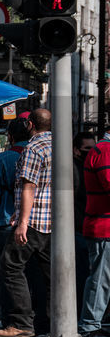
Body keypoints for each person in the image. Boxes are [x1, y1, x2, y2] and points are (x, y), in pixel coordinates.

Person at [0, 108, 54, 337]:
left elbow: (28, 187)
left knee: (9, 267)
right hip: (53, 221)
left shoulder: (33, 148)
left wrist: (22, 222)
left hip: (34, 221)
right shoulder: (59, 146)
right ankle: (49, 322)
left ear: (30, 124)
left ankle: (21, 322)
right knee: (48, 275)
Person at [0, 119, 30, 326]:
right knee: (30, 274)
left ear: (9, 137)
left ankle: (7, 315)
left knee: (6, 273)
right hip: (36, 225)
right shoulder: (42, 155)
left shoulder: (1, 160)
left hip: (4, 223)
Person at [80, 131, 110, 337]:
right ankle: (91, 325)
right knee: (100, 279)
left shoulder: (102, 149)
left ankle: (96, 322)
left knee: (102, 278)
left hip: (102, 225)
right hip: (103, 227)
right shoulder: (105, 150)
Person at [74, 131, 97, 309]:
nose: (91, 152)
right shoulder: (74, 169)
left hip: (90, 227)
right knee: (82, 273)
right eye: (86, 149)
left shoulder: (91, 167)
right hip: (78, 227)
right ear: (75, 150)